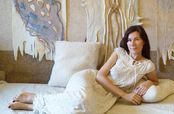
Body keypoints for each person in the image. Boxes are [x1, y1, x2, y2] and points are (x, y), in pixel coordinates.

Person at [9, 25, 158, 113]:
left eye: (137, 39)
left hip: (107, 95)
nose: (132, 43)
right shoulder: (119, 52)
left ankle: (34, 103)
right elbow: (100, 75)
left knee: (82, 109)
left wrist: (148, 83)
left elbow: (155, 80)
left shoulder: (147, 65)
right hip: (90, 79)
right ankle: (33, 100)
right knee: (80, 99)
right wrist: (125, 96)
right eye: (129, 39)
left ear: (144, 42)